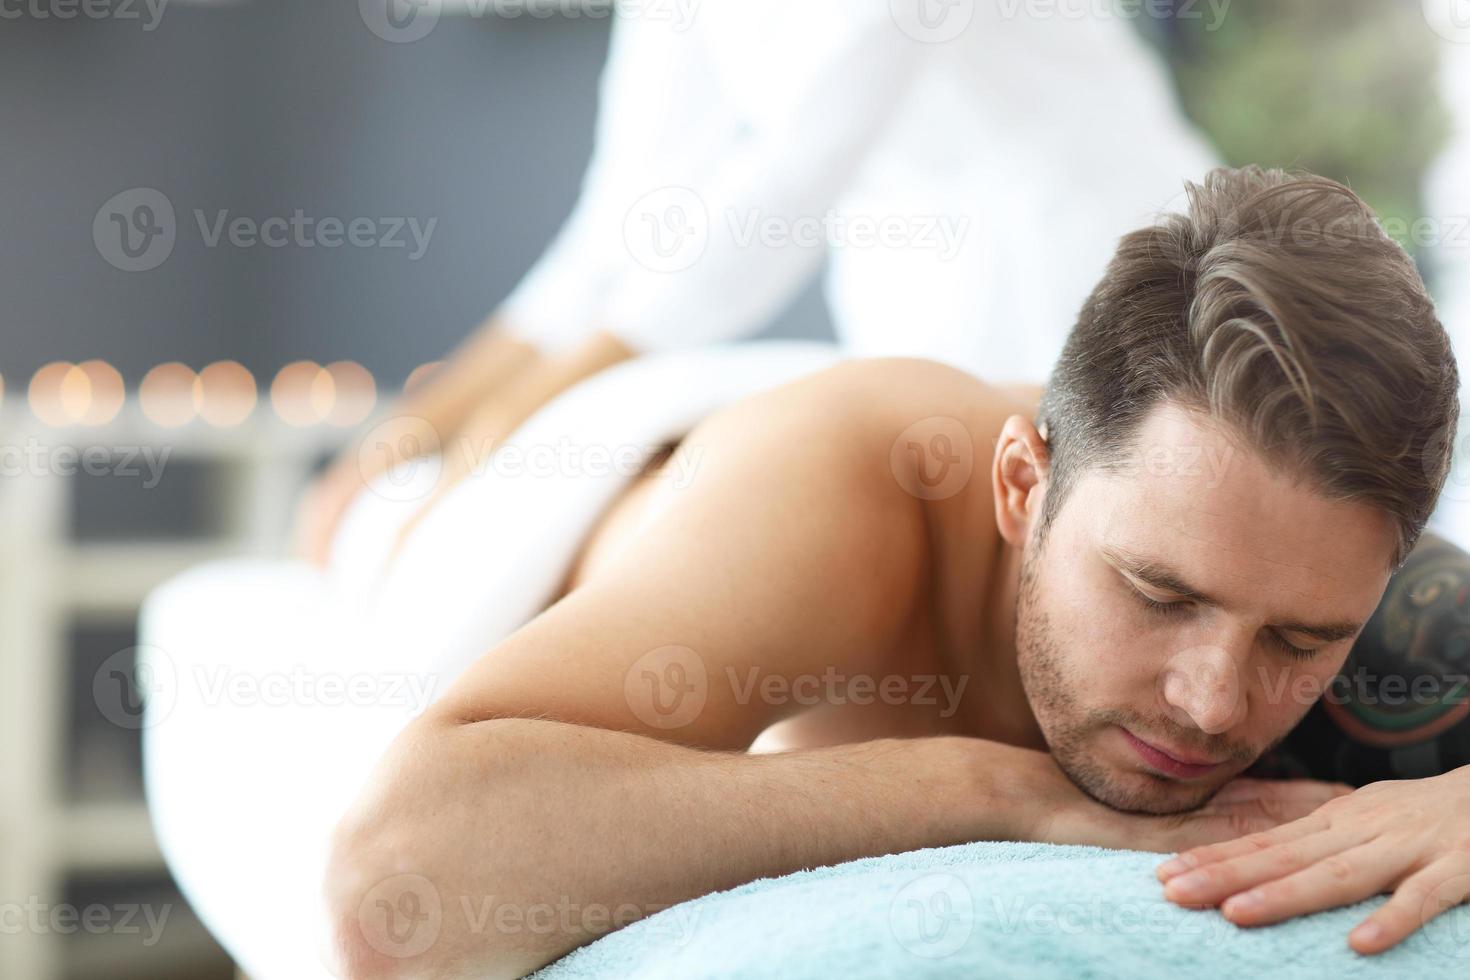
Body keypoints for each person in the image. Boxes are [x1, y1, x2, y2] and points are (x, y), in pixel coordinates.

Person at [322, 166, 1470, 980]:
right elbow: (396, 888)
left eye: (1301, 640)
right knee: (363, 509)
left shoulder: (1331, 548)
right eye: (1159, 594)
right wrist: (1006, 795)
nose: (1217, 702)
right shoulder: (837, 504)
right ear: (1022, 485)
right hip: (530, 489)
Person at [294, 0, 1220, 564]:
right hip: (918, 300)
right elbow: (626, 211)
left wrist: (510, 431)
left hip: (1094, 273)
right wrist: (417, 432)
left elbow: (793, 174)